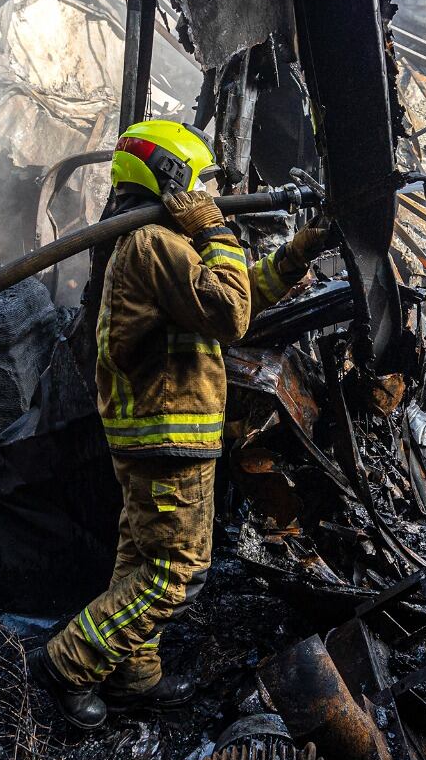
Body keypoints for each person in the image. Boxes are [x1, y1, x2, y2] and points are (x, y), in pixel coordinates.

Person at [31, 119, 333, 729]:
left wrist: (303, 249)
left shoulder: (151, 245)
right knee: (175, 573)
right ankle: (69, 663)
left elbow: (237, 290)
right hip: (169, 434)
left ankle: (134, 675)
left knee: (141, 557)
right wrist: (218, 229)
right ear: (169, 176)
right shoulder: (153, 244)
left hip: (155, 432)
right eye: (198, 180)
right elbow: (230, 313)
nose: (206, 193)